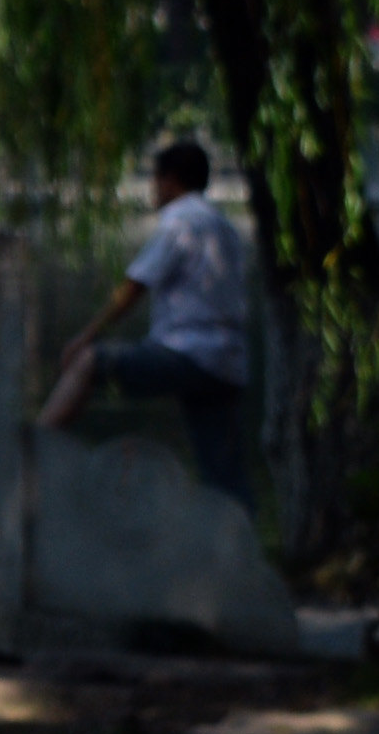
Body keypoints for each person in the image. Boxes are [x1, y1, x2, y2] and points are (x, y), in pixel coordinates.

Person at [42, 134, 263, 504]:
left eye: (154, 181)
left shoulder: (180, 221)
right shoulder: (222, 225)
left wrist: (86, 337)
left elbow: (133, 287)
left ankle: (34, 443)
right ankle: (243, 547)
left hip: (189, 355)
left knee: (90, 362)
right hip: (228, 363)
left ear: (170, 180)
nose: (152, 190)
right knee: (223, 472)